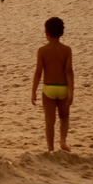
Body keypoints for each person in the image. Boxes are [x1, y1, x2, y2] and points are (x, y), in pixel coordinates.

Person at [30, 17, 73, 152]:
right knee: (64, 117)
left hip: (48, 88)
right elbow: (69, 71)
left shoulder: (42, 50)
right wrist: (71, 92)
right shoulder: (66, 50)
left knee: (49, 121)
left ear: (46, 33)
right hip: (63, 88)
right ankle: (62, 140)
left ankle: (50, 149)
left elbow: (38, 72)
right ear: (62, 33)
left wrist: (33, 91)